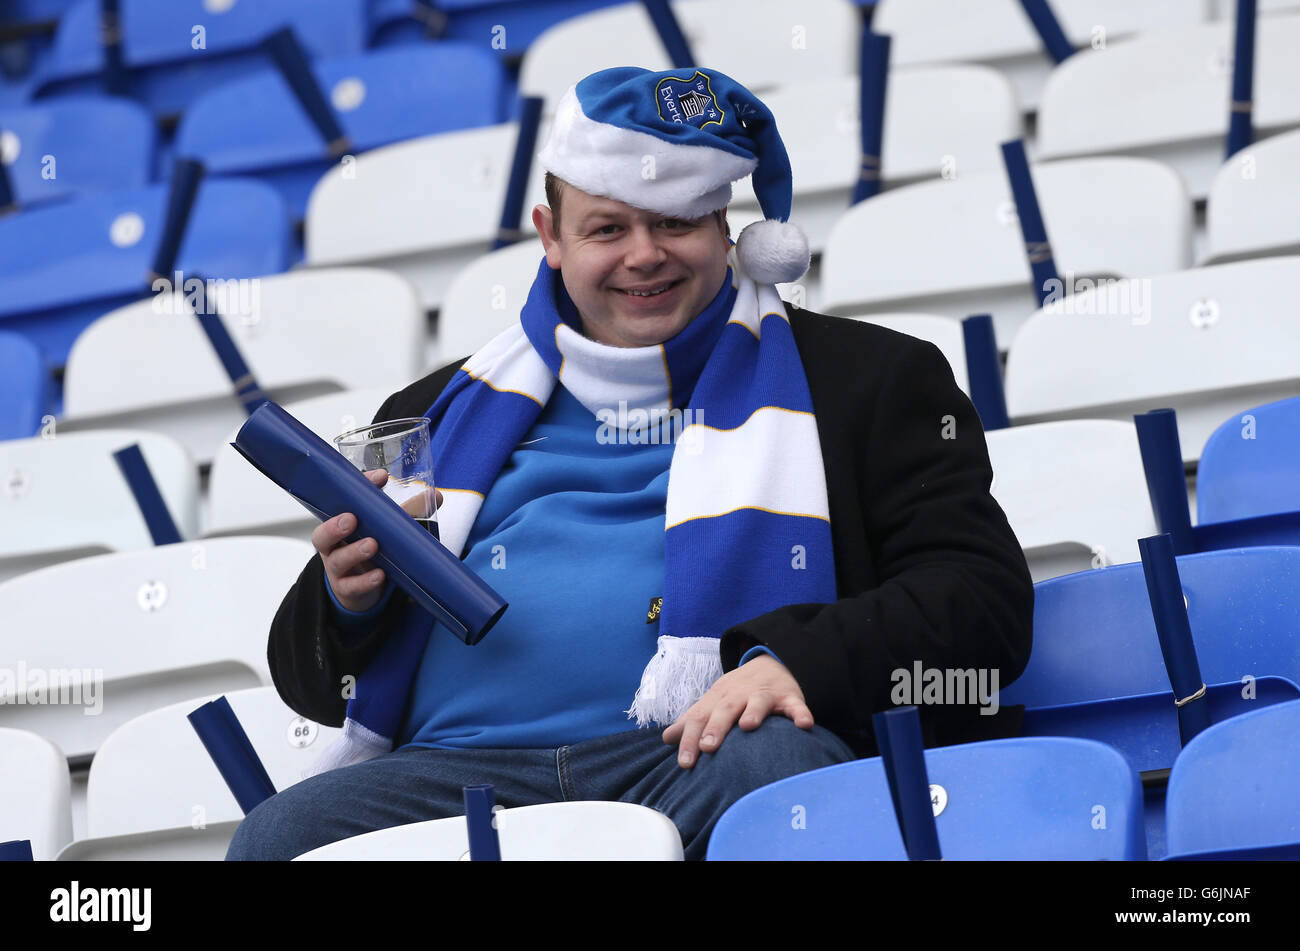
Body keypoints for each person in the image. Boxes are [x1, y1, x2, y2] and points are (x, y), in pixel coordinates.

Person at [226, 66, 1033, 861]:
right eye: (607, 228)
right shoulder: (441, 405)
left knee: (778, 774)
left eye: (674, 222)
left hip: (694, 761)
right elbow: (309, 684)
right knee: (279, 838)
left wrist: (798, 660)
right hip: (454, 778)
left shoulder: (870, 378)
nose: (643, 255)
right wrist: (347, 599)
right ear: (550, 237)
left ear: (726, 226)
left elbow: (981, 605)